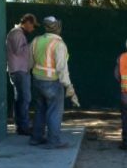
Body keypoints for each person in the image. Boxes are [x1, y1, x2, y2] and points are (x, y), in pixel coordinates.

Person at [29, 16, 77, 149]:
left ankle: (36, 138)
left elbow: (29, 62)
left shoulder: (36, 41)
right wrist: (68, 85)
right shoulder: (59, 45)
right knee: (54, 111)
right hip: (52, 83)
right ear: (58, 27)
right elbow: (62, 68)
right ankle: (53, 141)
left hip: (37, 80)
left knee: (40, 109)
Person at [5, 13, 38, 135]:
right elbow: (18, 51)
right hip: (19, 70)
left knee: (20, 99)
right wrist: (31, 46)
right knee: (25, 98)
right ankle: (23, 126)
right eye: (32, 25)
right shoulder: (17, 33)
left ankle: (20, 126)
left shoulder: (16, 33)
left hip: (18, 69)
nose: (33, 28)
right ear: (27, 22)